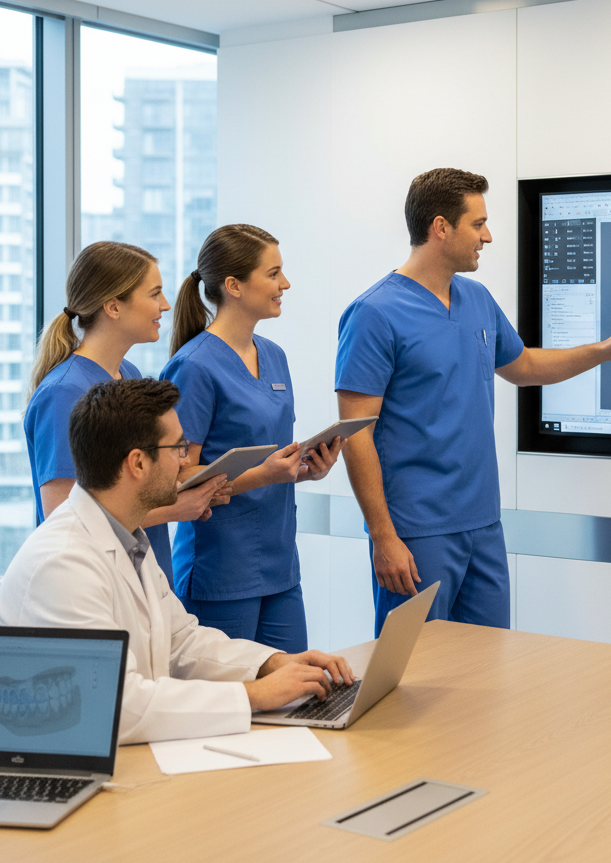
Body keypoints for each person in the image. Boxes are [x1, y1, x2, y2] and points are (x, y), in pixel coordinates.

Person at [335, 167, 611, 635]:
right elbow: (355, 433)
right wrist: (383, 536)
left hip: (482, 524)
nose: (487, 236)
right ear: (440, 227)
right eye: (477, 223)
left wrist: (606, 350)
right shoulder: (374, 314)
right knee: (418, 679)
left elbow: (524, 366)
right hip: (417, 530)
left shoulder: (477, 299)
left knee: (486, 671)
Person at [0, 378, 354, 745]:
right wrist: (255, 696)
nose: (186, 461)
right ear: (137, 462)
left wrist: (273, 664)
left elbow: (181, 642)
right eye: (178, 448)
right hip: (63, 768)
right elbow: (109, 704)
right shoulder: (62, 564)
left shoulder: (126, 538)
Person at [161, 224, 343, 653]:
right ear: (233, 286)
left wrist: (303, 469)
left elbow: (271, 460)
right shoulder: (194, 367)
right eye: (274, 273)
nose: (286, 284)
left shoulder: (275, 357)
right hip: (220, 570)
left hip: (280, 564)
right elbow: (179, 477)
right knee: (229, 706)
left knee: (296, 694)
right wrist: (264, 475)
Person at [23, 241, 229, 582]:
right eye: (154, 294)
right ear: (113, 307)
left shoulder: (129, 375)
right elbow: (63, 514)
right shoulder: (64, 393)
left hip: (143, 572)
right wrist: (174, 509)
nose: (164, 305)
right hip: (92, 579)